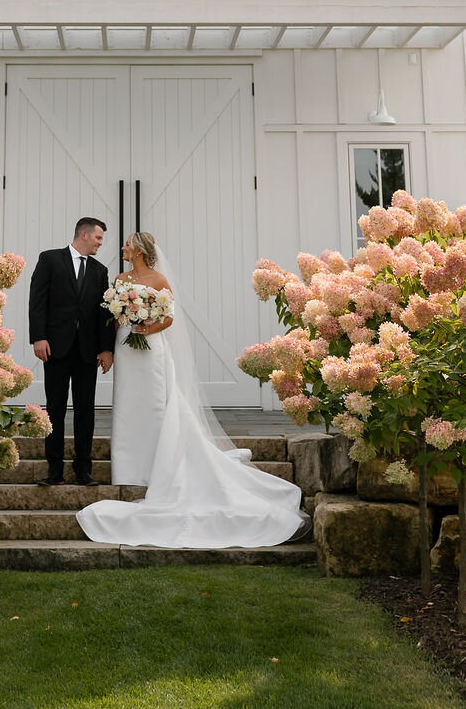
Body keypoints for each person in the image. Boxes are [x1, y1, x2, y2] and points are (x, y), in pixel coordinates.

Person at [76, 231, 312, 547]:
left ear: (141, 250)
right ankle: (129, 468)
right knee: (127, 406)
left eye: (128, 245)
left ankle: (160, 466)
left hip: (150, 350)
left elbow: (169, 318)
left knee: (157, 405)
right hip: (127, 349)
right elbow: (113, 317)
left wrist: (146, 325)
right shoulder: (119, 278)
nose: (123, 248)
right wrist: (122, 319)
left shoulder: (159, 280)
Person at [28, 216, 115, 485]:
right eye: (99, 238)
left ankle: (82, 468)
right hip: (55, 347)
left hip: (87, 352)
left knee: (85, 410)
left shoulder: (100, 271)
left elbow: (104, 314)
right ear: (84, 235)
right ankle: (54, 469)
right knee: (54, 409)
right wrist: (38, 337)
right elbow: (37, 300)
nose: (101, 243)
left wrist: (106, 349)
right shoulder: (50, 259)